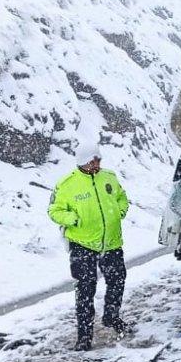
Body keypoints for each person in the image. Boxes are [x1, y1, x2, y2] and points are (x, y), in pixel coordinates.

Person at [48, 143, 132, 351]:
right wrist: (73, 219)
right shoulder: (67, 185)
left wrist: (119, 211)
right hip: (83, 245)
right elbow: (54, 210)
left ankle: (112, 317)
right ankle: (84, 336)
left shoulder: (109, 177)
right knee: (85, 289)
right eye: (91, 161)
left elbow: (122, 197)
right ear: (82, 162)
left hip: (111, 242)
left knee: (117, 280)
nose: (96, 164)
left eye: (98, 160)